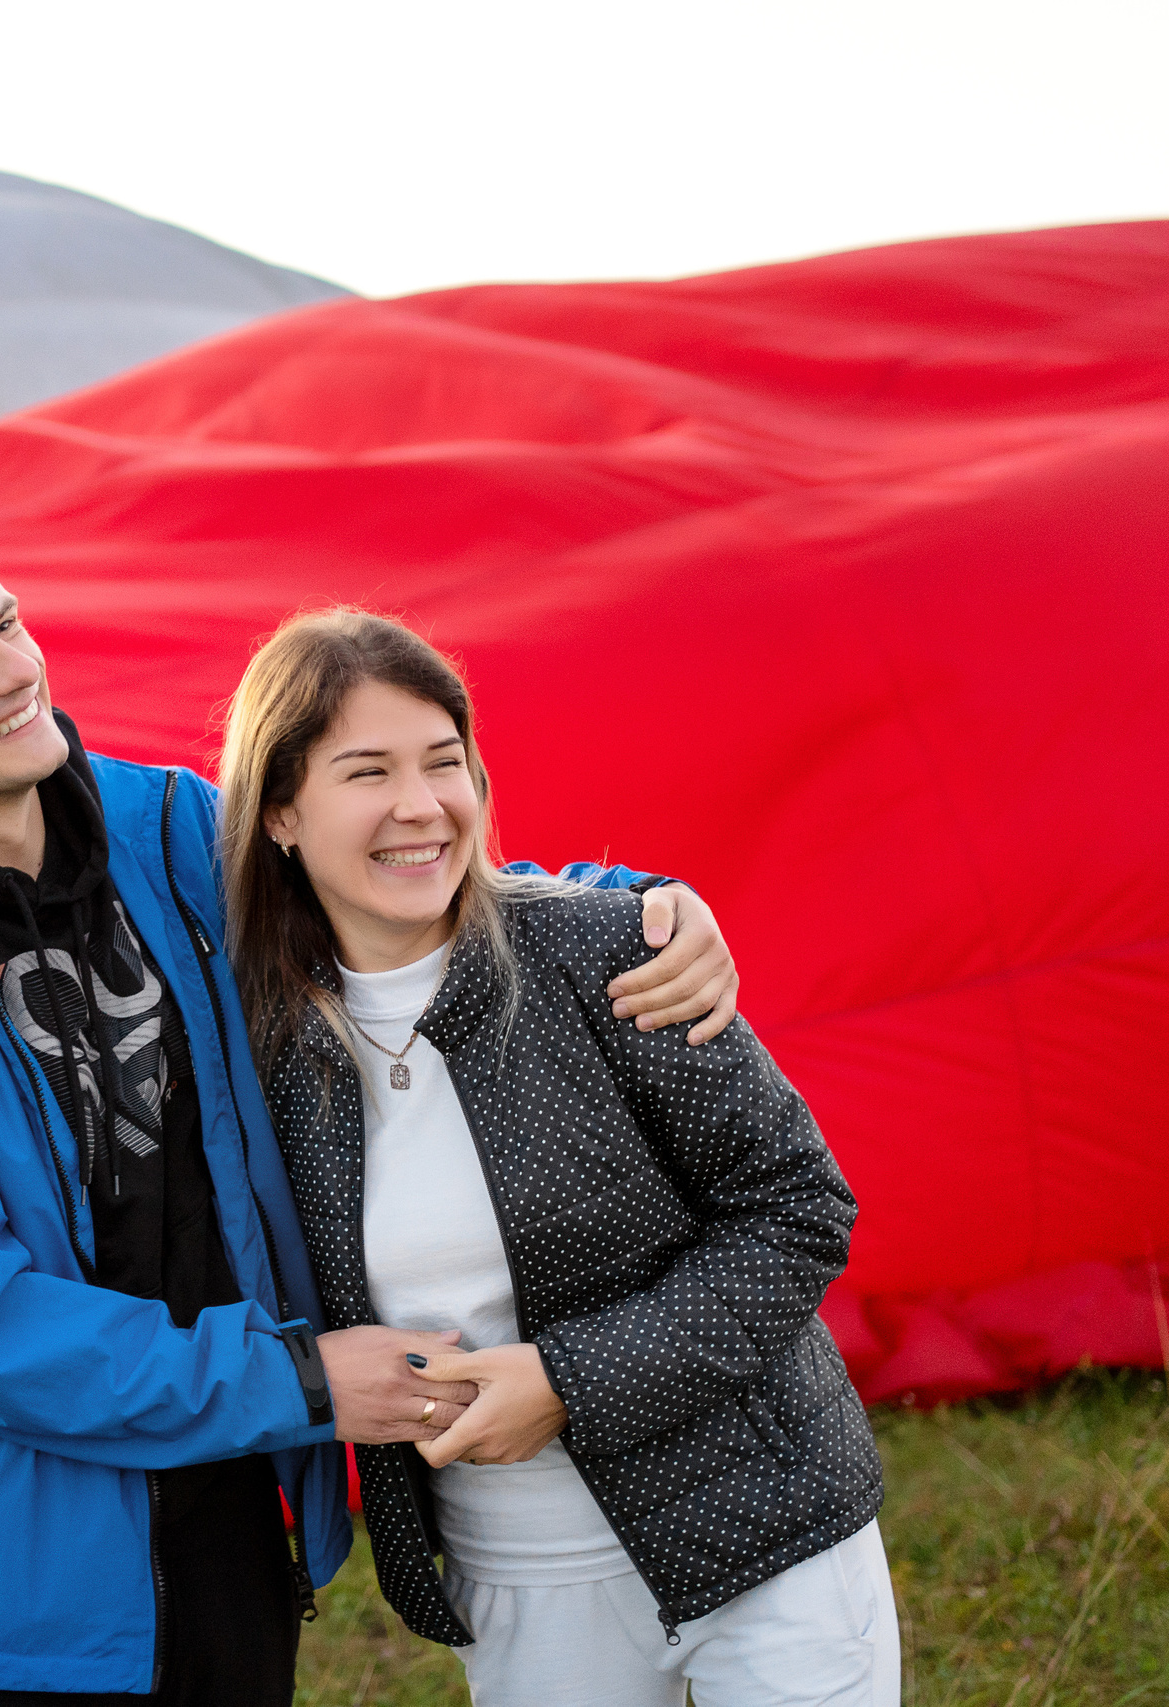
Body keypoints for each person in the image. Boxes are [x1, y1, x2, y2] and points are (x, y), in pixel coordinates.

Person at [0, 508, 746, 1705]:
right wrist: (308, 1384)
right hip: (2, 1583)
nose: (13, 672)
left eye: (2, 623)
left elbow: (413, 875)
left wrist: (638, 903)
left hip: (228, 1511)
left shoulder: (176, 836)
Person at [222, 608, 897, 1707]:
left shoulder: (606, 950)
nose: (418, 805)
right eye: (365, 771)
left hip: (762, 1513)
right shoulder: (262, 1050)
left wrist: (568, 1383)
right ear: (283, 813)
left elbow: (795, 1209)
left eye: (445, 761)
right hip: (516, 1572)